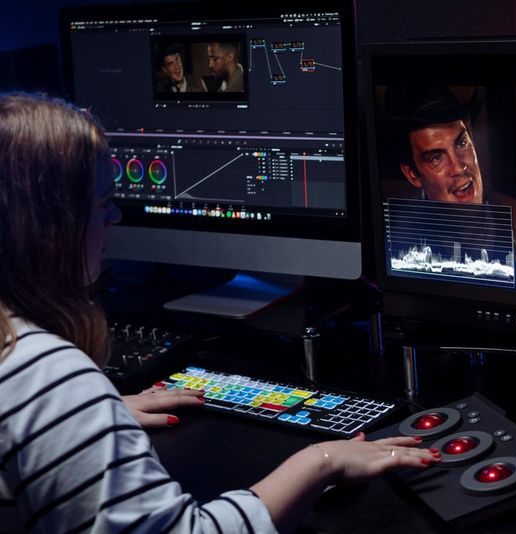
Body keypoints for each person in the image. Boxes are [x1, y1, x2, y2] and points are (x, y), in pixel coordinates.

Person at [0, 93, 439, 532]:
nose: (114, 216)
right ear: (53, 227)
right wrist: (322, 461)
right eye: (102, 203)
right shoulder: (48, 377)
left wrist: (89, 421)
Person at [386, 86, 516, 267]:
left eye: (461, 143)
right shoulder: (394, 245)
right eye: (437, 157)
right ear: (412, 174)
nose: (459, 167)